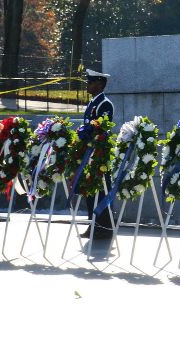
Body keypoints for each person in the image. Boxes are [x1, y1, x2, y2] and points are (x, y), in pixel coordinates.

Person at [81, 69, 115, 240]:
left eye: (91, 82)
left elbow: (101, 128)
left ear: (100, 84)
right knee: (90, 191)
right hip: (89, 152)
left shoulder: (105, 104)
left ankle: (105, 227)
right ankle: (93, 225)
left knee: (101, 191)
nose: (88, 85)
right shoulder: (93, 103)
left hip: (99, 154)